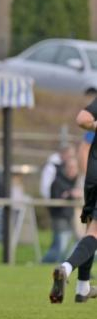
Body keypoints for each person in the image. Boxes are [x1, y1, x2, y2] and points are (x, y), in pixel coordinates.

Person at [49, 97, 97, 303]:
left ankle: (82, 287)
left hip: (93, 176)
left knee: (90, 231)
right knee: (94, 233)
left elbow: (83, 119)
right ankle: (67, 269)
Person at [42, 158, 81, 263]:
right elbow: (55, 200)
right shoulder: (58, 181)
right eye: (70, 167)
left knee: (64, 245)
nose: (72, 170)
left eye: (74, 168)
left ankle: (65, 264)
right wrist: (69, 195)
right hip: (59, 218)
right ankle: (44, 263)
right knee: (60, 248)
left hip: (70, 217)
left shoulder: (75, 182)